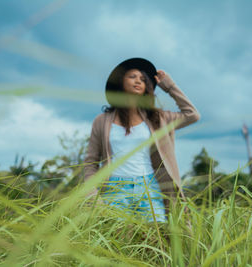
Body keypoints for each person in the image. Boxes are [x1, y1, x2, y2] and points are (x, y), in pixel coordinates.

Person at [84, 57, 200, 224]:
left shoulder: (158, 119)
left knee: (156, 240)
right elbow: (91, 162)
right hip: (115, 188)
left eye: (142, 79)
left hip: (149, 186)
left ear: (147, 87)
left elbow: (192, 115)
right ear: (120, 82)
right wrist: (92, 194)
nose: (138, 81)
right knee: (118, 242)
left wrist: (169, 86)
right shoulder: (102, 121)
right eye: (132, 77)